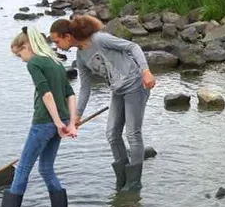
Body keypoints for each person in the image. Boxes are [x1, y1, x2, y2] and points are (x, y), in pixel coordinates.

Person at [0, 27, 77, 207]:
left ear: (27, 46)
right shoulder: (56, 62)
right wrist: (70, 123)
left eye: (19, 54)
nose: (21, 60)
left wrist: (58, 123)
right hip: (60, 121)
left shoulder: (34, 62)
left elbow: (46, 95)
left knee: (23, 169)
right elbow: (70, 94)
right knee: (46, 169)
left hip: (44, 122)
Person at [49, 15, 155, 192]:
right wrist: (76, 116)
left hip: (136, 84)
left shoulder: (99, 39)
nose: (56, 46)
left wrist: (146, 71)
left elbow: (133, 46)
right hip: (118, 90)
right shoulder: (81, 57)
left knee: (132, 133)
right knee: (112, 134)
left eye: (57, 41)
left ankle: (134, 183)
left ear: (67, 36)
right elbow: (85, 88)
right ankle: (122, 179)